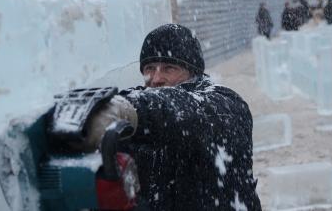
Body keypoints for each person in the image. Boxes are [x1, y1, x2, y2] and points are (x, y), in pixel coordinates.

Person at [82, 24, 262, 210]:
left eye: (169, 68)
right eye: (150, 68)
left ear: (193, 72)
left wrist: (128, 110)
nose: (156, 78)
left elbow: (183, 111)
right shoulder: (139, 108)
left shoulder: (224, 102)